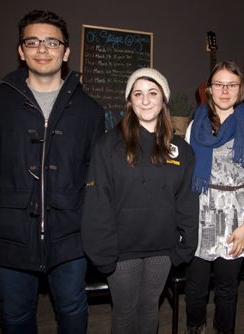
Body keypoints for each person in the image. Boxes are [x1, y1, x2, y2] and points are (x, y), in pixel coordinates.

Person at [0, 9, 105, 333]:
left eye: (52, 42)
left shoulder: (90, 110)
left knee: (72, 310)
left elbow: (95, 174)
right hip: (8, 234)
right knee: (15, 317)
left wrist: (84, 218)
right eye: (33, 41)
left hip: (70, 236)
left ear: (66, 51)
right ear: (21, 50)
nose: (43, 49)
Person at [81, 67, 199, 333]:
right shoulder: (108, 145)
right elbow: (97, 201)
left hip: (162, 250)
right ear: (130, 101)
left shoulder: (182, 150)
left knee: (149, 308)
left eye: (152, 92)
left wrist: (186, 245)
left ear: (163, 99)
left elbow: (187, 201)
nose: (146, 100)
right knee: (124, 311)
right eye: (138, 93)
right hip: (121, 251)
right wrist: (101, 252)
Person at [184, 60, 244, 334]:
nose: (224, 90)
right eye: (218, 84)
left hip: (235, 217)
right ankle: (195, 326)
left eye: (231, 85)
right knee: (195, 286)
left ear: (240, 89)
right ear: (209, 89)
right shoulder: (195, 124)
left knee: (227, 289)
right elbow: (185, 174)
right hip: (200, 214)